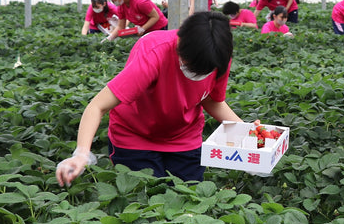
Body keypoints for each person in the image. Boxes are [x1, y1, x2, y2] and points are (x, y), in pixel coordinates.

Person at [55, 11, 244, 185]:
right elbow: (98, 106)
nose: (198, 75)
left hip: (184, 139)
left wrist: (247, 133)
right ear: (180, 45)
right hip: (135, 138)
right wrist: (81, 154)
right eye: (191, 67)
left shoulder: (216, 56)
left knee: (189, 201)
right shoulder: (153, 53)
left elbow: (211, 99)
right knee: (147, 204)